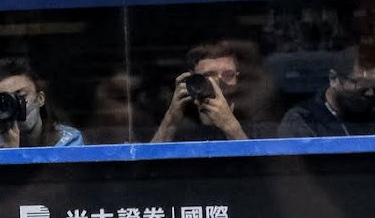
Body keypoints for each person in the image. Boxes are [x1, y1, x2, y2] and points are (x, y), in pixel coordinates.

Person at [150, 40, 280, 143]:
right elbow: (148, 165)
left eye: (228, 75)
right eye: (208, 76)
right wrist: (171, 119)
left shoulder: (261, 129)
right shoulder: (180, 130)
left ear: (238, 79)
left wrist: (230, 126)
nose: (218, 83)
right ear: (192, 80)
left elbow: (264, 168)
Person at [0, 57, 84, 148]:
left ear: (40, 99)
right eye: (5, 101)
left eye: (21, 96)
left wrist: (13, 154)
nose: (14, 105)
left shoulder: (67, 140)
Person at [278, 47, 375, 137]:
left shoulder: (371, 113)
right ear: (333, 78)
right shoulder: (303, 120)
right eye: (362, 87)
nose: (370, 94)